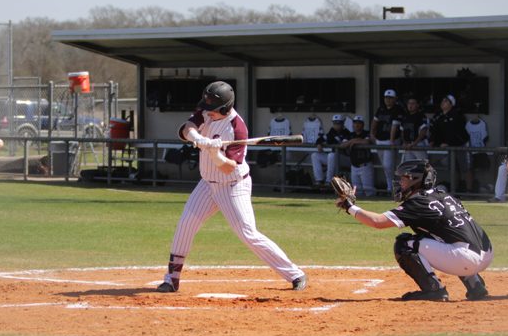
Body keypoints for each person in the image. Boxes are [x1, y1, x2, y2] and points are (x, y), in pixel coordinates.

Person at [155, 81, 307, 293]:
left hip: (232, 185)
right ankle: (171, 279)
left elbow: (228, 168)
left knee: (248, 233)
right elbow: (186, 128)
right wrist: (199, 139)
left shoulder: (237, 129)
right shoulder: (206, 111)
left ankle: (294, 274)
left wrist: (215, 154)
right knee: (185, 225)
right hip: (207, 184)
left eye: (212, 110)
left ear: (225, 108)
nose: (207, 113)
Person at [335, 159, 492, 301]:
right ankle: (475, 285)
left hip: (465, 259)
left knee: (404, 244)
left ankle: (434, 290)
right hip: (486, 254)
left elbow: (377, 222)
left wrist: (349, 207)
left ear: (415, 180)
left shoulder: (419, 202)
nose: (400, 182)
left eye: (404, 178)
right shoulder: (444, 195)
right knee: (441, 237)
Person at [429, 94, 468, 190]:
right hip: (448, 148)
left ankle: (469, 191)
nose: (443, 103)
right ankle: (455, 190)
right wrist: (434, 142)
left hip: (461, 145)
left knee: (466, 168)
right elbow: (435, 132)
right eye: (443, 101)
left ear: (451, 104)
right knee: (454, 169)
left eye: (446, 101)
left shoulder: (457, 116)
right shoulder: (439, 116)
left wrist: (450, 143)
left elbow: (459, 133)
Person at [371, 89, 405, 193]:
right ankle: (390, 186)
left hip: (391, 141)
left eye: (390, 98)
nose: (388, 100)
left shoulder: (398, 109)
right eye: (386, 97)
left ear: (395, 99)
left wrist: (391, 140)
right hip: (380, 140)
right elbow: (375, 121)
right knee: (385, 166)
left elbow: (395, 126)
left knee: (388, 165)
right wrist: (372, 134)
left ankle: (391, 187)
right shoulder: (381, 109)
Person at [311, 114, 352, 185]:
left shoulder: (347, 133)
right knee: (315, 155)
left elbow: (343, 145)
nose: (336, 125)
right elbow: (321, 139)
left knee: (331, 155)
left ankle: (329, 181)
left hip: (346, 159)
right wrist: (319, 144)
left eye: (338, 123)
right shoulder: (332, 132)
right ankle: (319, 180)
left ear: (342, 123)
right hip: (334, 158)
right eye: (334, 123)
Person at [342, 115, 376, 197]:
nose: (357, 125)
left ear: (363, 124)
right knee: (357, 192)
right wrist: (353, 141)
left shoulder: (366, 133)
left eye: (359, 123)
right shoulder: (350, 135)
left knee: (369, 191)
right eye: (355, 123)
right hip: (354, 166)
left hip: (365, 165)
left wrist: (354, 142)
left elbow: (367, 142)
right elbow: (342, 145)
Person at [393, 96, 429, 161]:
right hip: (408, 145)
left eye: (413, 103)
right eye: (409, 103)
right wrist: (404, 142)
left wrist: (414, 143)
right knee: (409, 167)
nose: (410, 105)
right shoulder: (405, 116)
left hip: (418, 144)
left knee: (422, 166)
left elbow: (423, 131)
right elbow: (402, 131)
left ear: (417, 105)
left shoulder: (421, 116)